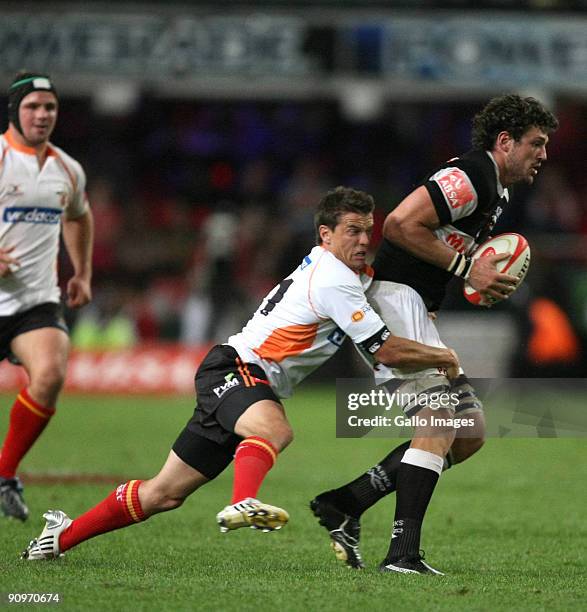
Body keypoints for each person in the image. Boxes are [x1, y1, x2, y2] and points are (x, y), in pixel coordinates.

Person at [22, 186, 460, 560]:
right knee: (275, 429)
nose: (365, 239)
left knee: (164, 494)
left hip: (244, 378)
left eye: (368, 229)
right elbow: (384, 348)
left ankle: (61, 536)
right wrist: (442, 357)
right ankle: (242, 500)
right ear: (325, 235)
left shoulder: (347, 271)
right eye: (353, 230)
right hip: (237, 369)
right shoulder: (333, 279)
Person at [310, 95, 559, 574]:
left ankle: (348, 501)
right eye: (536, 143)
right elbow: (401, 225)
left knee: (469, 433)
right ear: (504, 142)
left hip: (415, 305)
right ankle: (402, 555)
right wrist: (469, 269)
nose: (543, 154)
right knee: (441, 422)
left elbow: (434, 242)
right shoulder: (472, 175)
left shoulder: (497, 188)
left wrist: (436, 301)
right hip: (393, 298)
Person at [0, 73, 94, 521]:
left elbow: (79, 215)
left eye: (50, 108)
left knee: (52, 371)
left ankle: (3, 475)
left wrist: (82, 272)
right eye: (33, 106)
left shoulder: (67, 169)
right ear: (15, 110)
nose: (42, 115)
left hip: (34, 301)